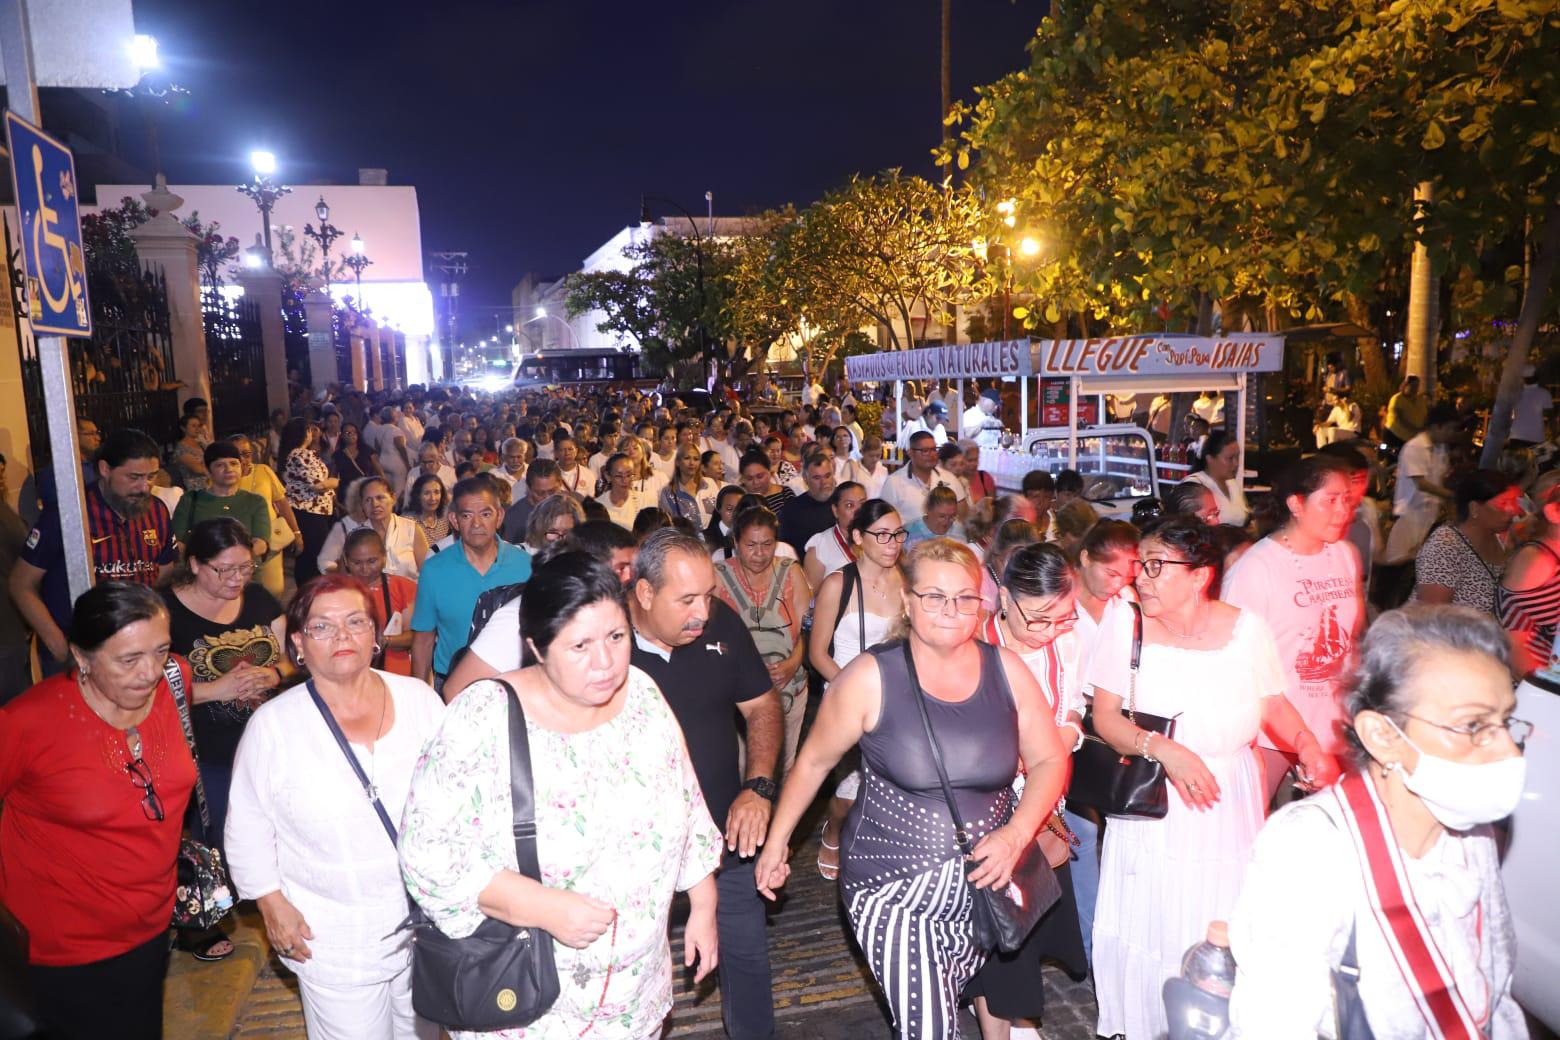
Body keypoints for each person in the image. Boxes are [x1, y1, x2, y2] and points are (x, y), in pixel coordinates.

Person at [755, 538, 1071, 1040]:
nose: (951, 610)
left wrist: (1015, 836)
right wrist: (776, 845)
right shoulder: (869, 678)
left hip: (983, 887)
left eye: (965, 597)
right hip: (892, 886)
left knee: (965, 1004)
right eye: (934, 596)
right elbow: (813, 762)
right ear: (907, 601)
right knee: (929, 1027)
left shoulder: (1007, 670)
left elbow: (1050, 758)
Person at [400, 552, 720, 1039]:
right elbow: (428, 855)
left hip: (635, 996)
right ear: (536, 646)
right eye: (579, 646)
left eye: (616, 637)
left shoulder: (642, 695)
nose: (605, 663)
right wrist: (542, 907)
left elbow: (687, 800)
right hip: (531, 1001)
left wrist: (703, 905)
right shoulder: (482, 717)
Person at [1227, 605, 1530, 1038]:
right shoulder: (1310, 849)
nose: (1508, 751)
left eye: (1505, 722)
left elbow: (1495, 995)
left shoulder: (1469, 831)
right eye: (1473, 725)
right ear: (1383, 736)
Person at [1087, 518, 1337, 1040]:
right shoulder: (1124, 621)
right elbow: (1105, 717)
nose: (1143, 578)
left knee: (1221, 913)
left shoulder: (1247, 628)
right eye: (1142, 565)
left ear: (1199, 576)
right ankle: (1144, 1025)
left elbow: (1272, 700)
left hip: (1229, 797)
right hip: (1156, 797)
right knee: (1153, 918)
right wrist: (1166, 750)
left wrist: (1307, 744)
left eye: (1157, 566)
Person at [226, 573, 445, 1040]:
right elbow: (246, 826)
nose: (342, 636)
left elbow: (462, 800)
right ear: (299, 644)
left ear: (375, 635)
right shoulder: (274, 727)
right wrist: (270, 902)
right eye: (322, 627)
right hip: (331, 930)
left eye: (355, 622)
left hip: (425, 924)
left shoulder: (421, 702)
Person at [0, 582, 196, 1039]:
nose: (149, 671)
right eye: (128, 659)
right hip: (61, 950)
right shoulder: (28, 723)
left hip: (152, 930)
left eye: (161, 650)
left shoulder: (174, 680)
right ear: (82, 657)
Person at [628, 529, 781, 1040]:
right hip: (632, 851)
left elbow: (761, 705)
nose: (702, 611)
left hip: (723, 838)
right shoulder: (602, 646)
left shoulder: (722, 625)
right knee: (628, 984)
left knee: (747, 963)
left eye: (708, 594)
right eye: (686, 599)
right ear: (644, 593)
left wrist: (757, 787)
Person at [967, 543, 1089, 1036]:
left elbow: (1076, 705)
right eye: (1040, 619)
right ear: (1004, 597)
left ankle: (1021, 1021)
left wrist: (1067, 737)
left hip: (1046, 808)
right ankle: (1006, 1026)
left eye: (1064, 617)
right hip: (986, 808)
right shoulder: (973, 644)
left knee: (1029, 919)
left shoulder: (1067, 642)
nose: (1053, 630)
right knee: (994, 932)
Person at [161, 516, 290, 959]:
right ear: (195, 563)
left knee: (268, 819)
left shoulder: (256, 599)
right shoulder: (165, 611)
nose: (237, 579)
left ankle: (260, 893)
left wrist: (273, 672)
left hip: (261, 734)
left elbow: (297, 654)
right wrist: (217, 689)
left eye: (245, 568)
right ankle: (202, 920)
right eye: (225, 570)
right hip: (199, 742)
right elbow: (144, 685)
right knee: (209, 828)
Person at [1224, 455, 1360, 803]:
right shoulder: (1256, 568)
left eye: (1347, 499)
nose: (1342, 510)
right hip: (1273, 725)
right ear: (1296, 504)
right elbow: (1235, 661)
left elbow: (1352, 638)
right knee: (1253, 821)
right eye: (1330, 500)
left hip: (1334, 722)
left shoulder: (1345, 555)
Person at [11, 428, 178, 678]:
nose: (144, 487)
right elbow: (21, 584)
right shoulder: (67, 513)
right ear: (104, 469)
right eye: (133, 477)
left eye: (151, 476)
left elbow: (165, 574)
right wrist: (59, 647)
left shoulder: (157, 511)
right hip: (78, 652)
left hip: (138, 649)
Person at [409, 477, 532, 692]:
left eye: (485, 514)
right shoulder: (434, 570)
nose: (477, 524)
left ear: (500, 516)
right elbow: (423, 641)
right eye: (467, 516)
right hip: (451, 684)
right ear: (454, 520)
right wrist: (419, 698)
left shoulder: (526, 565)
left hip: (514, 683)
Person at [714, 507, 813, 773]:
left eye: (767, 544)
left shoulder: (790, 572)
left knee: (784, 766)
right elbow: (707, 637)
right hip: (736, 695)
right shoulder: (717, 576)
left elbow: (808, 629)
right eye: (751, 545)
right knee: (742, 767)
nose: (759, 553)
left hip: (789, 687)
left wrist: (793, 662)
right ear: (735, 542)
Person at [1412, 469, 1521, 614]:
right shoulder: (1445, 546)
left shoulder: (1498, 540)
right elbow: (1431, 615)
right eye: (1503, 504)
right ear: (1474, 508)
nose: (1513, 510)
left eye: (1514, 503)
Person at [1382, 403, 1460, 567]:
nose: (1452, 434)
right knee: (1399, 565)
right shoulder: (1416, 447)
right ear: (1435, 426)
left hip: (1428, 516)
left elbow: (1439, 479)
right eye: (1449, 429)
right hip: (1408, 516)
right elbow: (1421, 483)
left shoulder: (1440, 449)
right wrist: (1452, 495)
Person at [1498, 475, 1560, 677]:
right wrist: (1543, 692)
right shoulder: (1537, 561)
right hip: (1538, 683)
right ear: (1553, 513)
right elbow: (1514, 642)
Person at [171, 440, 273, 559]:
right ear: (208, 471)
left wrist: (232, 563)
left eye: (234, 463)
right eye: (220, 465)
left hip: (244, 573)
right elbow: (178, 543)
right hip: (203, 572)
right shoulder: (190, 500)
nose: (229, 469)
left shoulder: (255, 501)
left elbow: (260, 544)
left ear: (241, 467)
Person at [318, 476, 430, 580]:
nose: (375, 504)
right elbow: (342, 575)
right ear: (362, 505)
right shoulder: (355, 535)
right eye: (368, 500)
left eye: (380, 498)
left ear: (393, 498)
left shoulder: (411, 529)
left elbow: (428, 572)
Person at [340, 527, 417, 676]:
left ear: (384, 556)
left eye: (372, 561)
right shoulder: (336, 593)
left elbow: (417, 636)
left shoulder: (403, 587)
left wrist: (384, 640)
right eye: (357, 562)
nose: (365, 569)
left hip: (395, 676)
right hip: (349, 675)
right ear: (346, 561)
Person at [232, 434, 301, 599]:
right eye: (236, 454)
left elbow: (282, 503)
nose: (242, 459)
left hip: (271, 541)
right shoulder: (225, 479)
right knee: (247, 593)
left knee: (275, 589)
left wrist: (297, 533)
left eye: (246, 453)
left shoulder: (263, 471)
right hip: (241, 545)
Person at [281, 418, 340, 587]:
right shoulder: (300, 454)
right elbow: (318, 485)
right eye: (309, 430)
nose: (312, 434)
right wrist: (334, 482)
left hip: (311, 512)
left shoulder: (298, 454)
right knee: (313, 557)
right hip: (309, 513)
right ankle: (311, 593)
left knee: (309, 557)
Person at [883, 430, 968, 527]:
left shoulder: (949, 478)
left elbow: (963, 516)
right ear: (910, 453)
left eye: (933, 449)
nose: (931, 454)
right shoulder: (894, 482)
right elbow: (885, 520)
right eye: (925, 451)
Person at [801, 481, 866, 589]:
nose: (858, 511)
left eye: (863, 504)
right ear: (835, 510)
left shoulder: (877, 538)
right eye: (850, 505)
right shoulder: (820, 545)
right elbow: (812, 598)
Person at [778, 450, 838, 557]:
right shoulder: (791, 511)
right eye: (817, 478)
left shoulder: (844, 501)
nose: (824, 483)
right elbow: (786, 550)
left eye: (827, 476)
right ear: (805, 479)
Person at [1184, 430, 1249, 527]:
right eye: (1230, 458)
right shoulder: (1195, 485)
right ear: (1210, 459)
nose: (1236, 464)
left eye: (1237, 457)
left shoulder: (1232, 484)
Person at [660, 442, 721, 531]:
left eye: (696, 459)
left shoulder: (710, 484)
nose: (692, 463)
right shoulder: (668, 492)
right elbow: (667, 527)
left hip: (712, 541)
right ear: (677, 462)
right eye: (687, 458)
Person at [1510, 363, 1554, 447]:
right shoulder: (1544, 393)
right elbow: (1550, 416)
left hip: (1516, 436)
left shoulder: (1516, 394)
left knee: (1515, 460)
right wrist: (1554, 436)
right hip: (1536, 437)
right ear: (1537, 377)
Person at [403, 473, 451, 549]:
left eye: (436, 492)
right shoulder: (407, 521)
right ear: (418, 496)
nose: (433, 498)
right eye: (427, 493)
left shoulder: (444, 518)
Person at [739, 449, 794, 514]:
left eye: (760, 476)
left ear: (770, 472)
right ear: (742, 478)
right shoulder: (739, 500)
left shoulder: (786, 494)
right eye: (749, 478)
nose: (755, 482)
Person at [170, 413, 211, 491]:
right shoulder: (181, 448)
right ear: (183, 428)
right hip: (195, 488)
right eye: (193, 426)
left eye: (199, 426)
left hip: (210, 483)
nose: (197, 429)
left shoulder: (201, 444)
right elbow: (198, 469)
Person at [1385, 375, 1429, 448]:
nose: (1415, 388)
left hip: (1412, 438)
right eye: (1413, 385)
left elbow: (1425, 415)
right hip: (1396, 435)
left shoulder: (1420, 400)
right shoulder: (1397, 399)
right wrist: (1415, 429)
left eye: (1417, 386)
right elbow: (1400, 418)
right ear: (1405, 385)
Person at [1021, 470, 1056, 535]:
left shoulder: (1058, 523)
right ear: (1025, 497)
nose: (1041, 502)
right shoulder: (1017, 524)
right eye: (1035, 496)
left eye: (1046, 496)